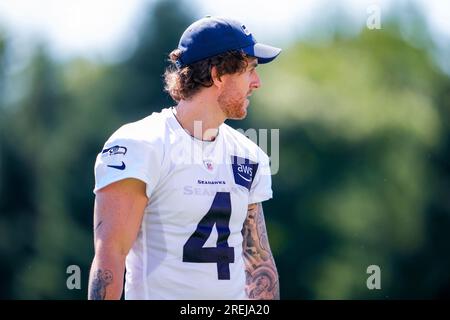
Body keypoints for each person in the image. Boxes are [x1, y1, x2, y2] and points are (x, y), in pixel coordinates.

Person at [88, 16, 281, 300]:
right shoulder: (140, 144)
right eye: (250, 69)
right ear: (217, 75)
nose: (257, 82)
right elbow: (110, 259)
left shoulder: (249, 155)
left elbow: (258, 263)